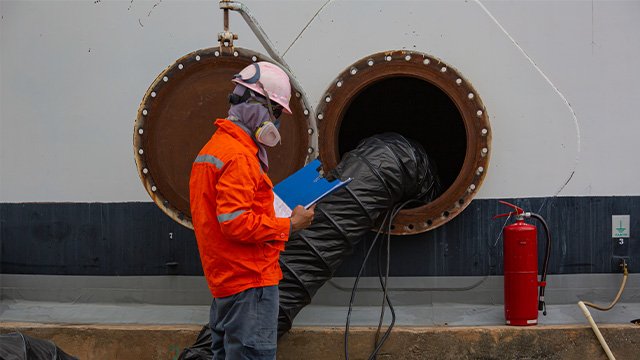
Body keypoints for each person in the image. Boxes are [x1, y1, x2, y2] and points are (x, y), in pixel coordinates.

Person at [189, 61, 315, 360]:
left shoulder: (213, 150)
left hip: (226, 282)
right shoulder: (239, 157)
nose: (276, 122)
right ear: (258, 105)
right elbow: (235, 223)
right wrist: (290, 224)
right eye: (275, 112)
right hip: (250, 283)